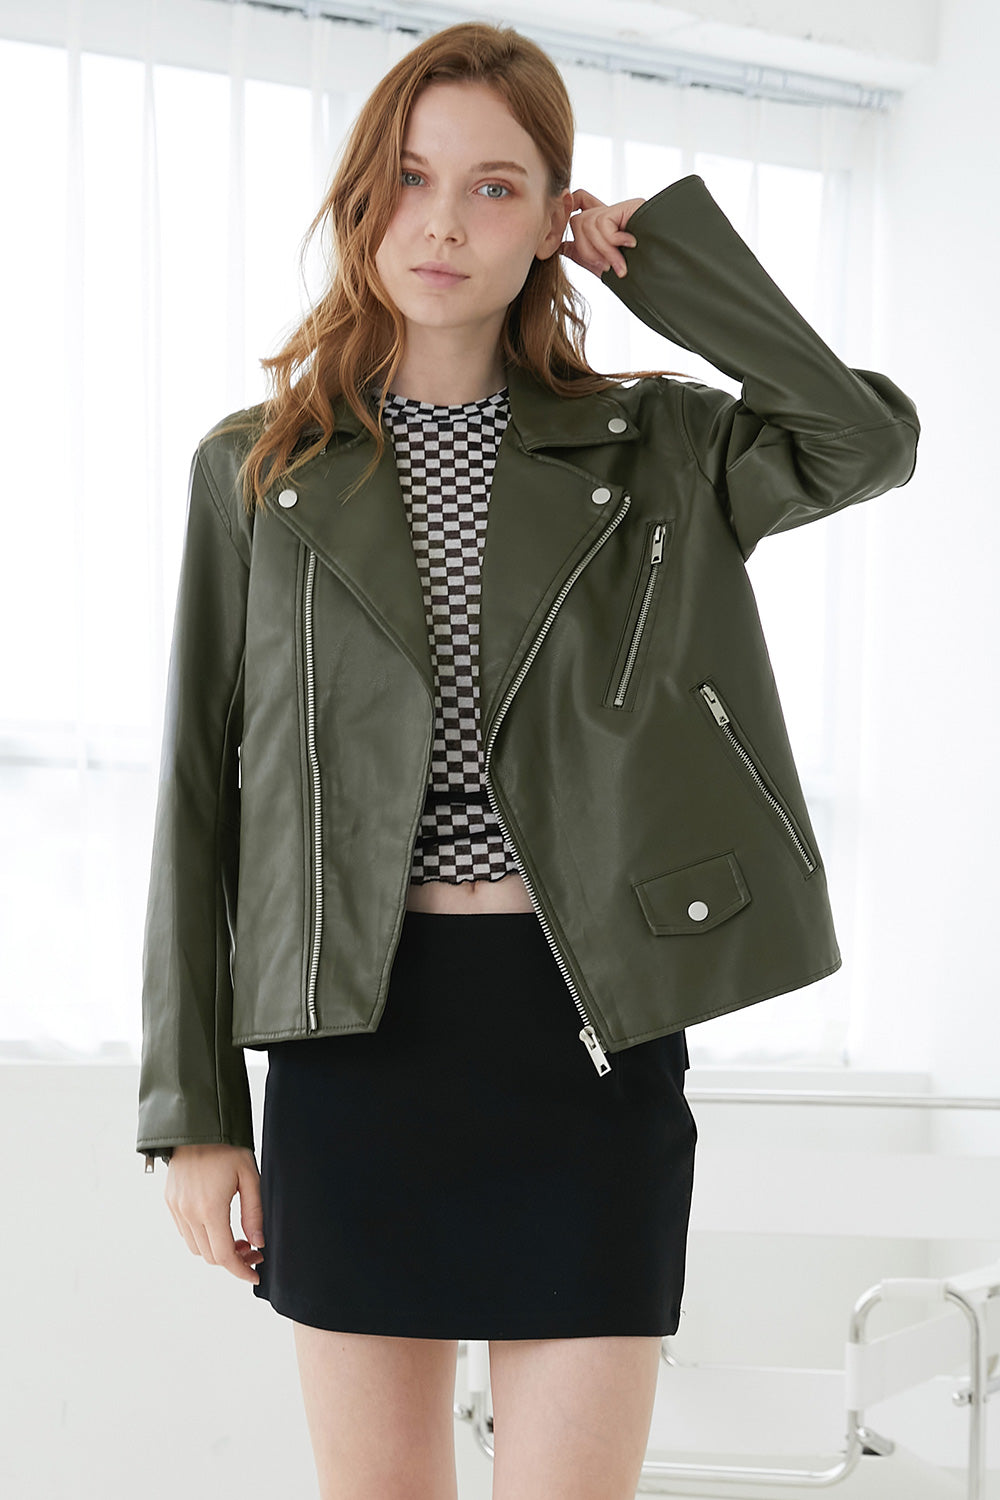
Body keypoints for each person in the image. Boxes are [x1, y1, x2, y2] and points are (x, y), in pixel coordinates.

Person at [136, 20, 919, 1500]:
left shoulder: (657, 449)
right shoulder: (260, 468)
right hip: (350, 1040)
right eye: (411, 177)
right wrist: (194, 1111)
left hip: (587, 1029)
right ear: (363, 197)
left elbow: (858, 440)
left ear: (554, 218)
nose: (442, 222)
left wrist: (664, 263)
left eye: (494, 188)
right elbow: (197, 793)